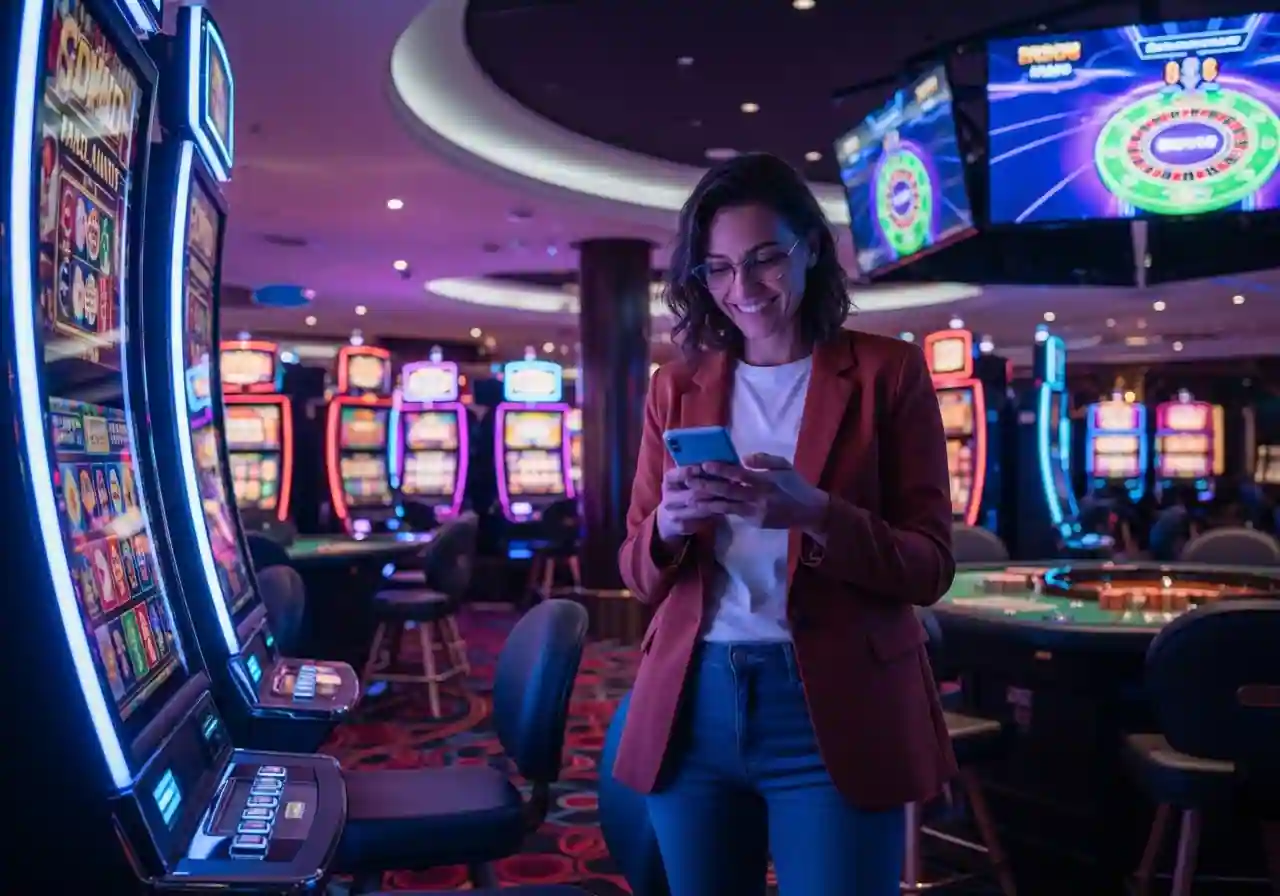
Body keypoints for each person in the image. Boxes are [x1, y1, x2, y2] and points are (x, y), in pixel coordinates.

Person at [612, 152, 957, 895]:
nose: (745, 289)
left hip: (833, 704)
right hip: (692, 702)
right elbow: (636, 572)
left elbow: (930, 566)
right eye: (718, 269)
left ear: (809, 249)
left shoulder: (888, 373)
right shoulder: (675, 387)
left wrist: (821, 515)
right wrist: (669, 525)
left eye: (765, 259)